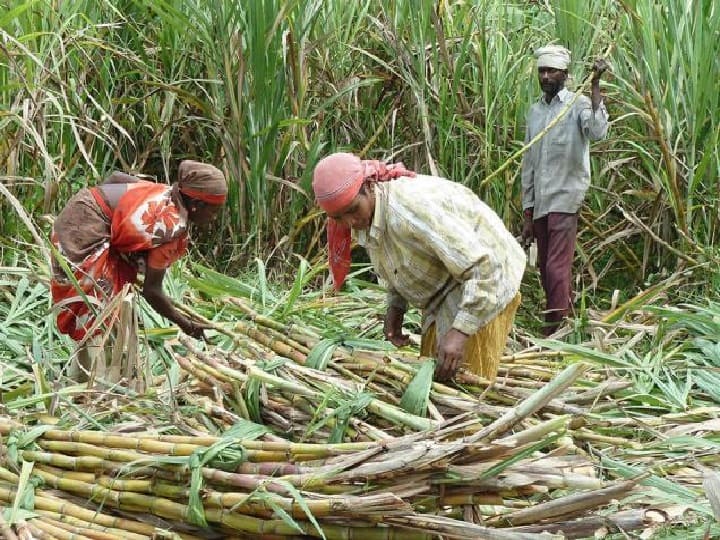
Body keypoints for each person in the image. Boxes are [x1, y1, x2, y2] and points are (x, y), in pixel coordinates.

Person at [312, 152, 526, 382]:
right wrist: (396, 307)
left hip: (486, 280)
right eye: (338, 218)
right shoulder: (367, 216)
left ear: (370, 186)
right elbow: (395, 259)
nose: (350, 222)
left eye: (353, 209)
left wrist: (461, 330)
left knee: (464, 385)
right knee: (434, 376)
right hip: (444, 286)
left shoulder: (409, 210)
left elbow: (484, 266)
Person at [50, 160, 226, 356]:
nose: (214, 217)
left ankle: (90, 370)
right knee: (100, 312)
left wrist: (118, 222)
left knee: (107, 304)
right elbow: (151, 291)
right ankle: (94, 375)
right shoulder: (168, 229)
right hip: (82, 230)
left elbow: (116, 177)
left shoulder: (164, 193)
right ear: (196, 205)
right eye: (214, 210)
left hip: (81, 204)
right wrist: (186, 324)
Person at [520, 44, 609, 335]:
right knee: (546, 270)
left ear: (565, 74)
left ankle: (553, 329)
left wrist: (595, 85)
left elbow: (597, 132)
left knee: (556, 268)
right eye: (542, 71)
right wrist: (527, 209)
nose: (546, 76)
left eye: (552, 71)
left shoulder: (578, 105)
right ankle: (565, 319)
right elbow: (529, 162)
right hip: (541, 203)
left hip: (566, 198)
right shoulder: (534, 112)